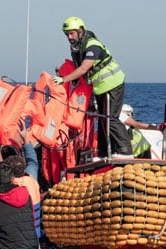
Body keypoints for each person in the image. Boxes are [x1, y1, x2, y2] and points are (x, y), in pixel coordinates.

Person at [54, 16, 133, 159]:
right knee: (103, 120)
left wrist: (63, 79)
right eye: (67, 34)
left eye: (72, 33)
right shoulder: (77, 48)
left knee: (111, 118)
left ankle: (126, 151)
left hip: (113, 84)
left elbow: (84, 69)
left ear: (81, 31)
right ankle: (103, 153)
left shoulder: (92, 46)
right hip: (101, 88)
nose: (69, 37)